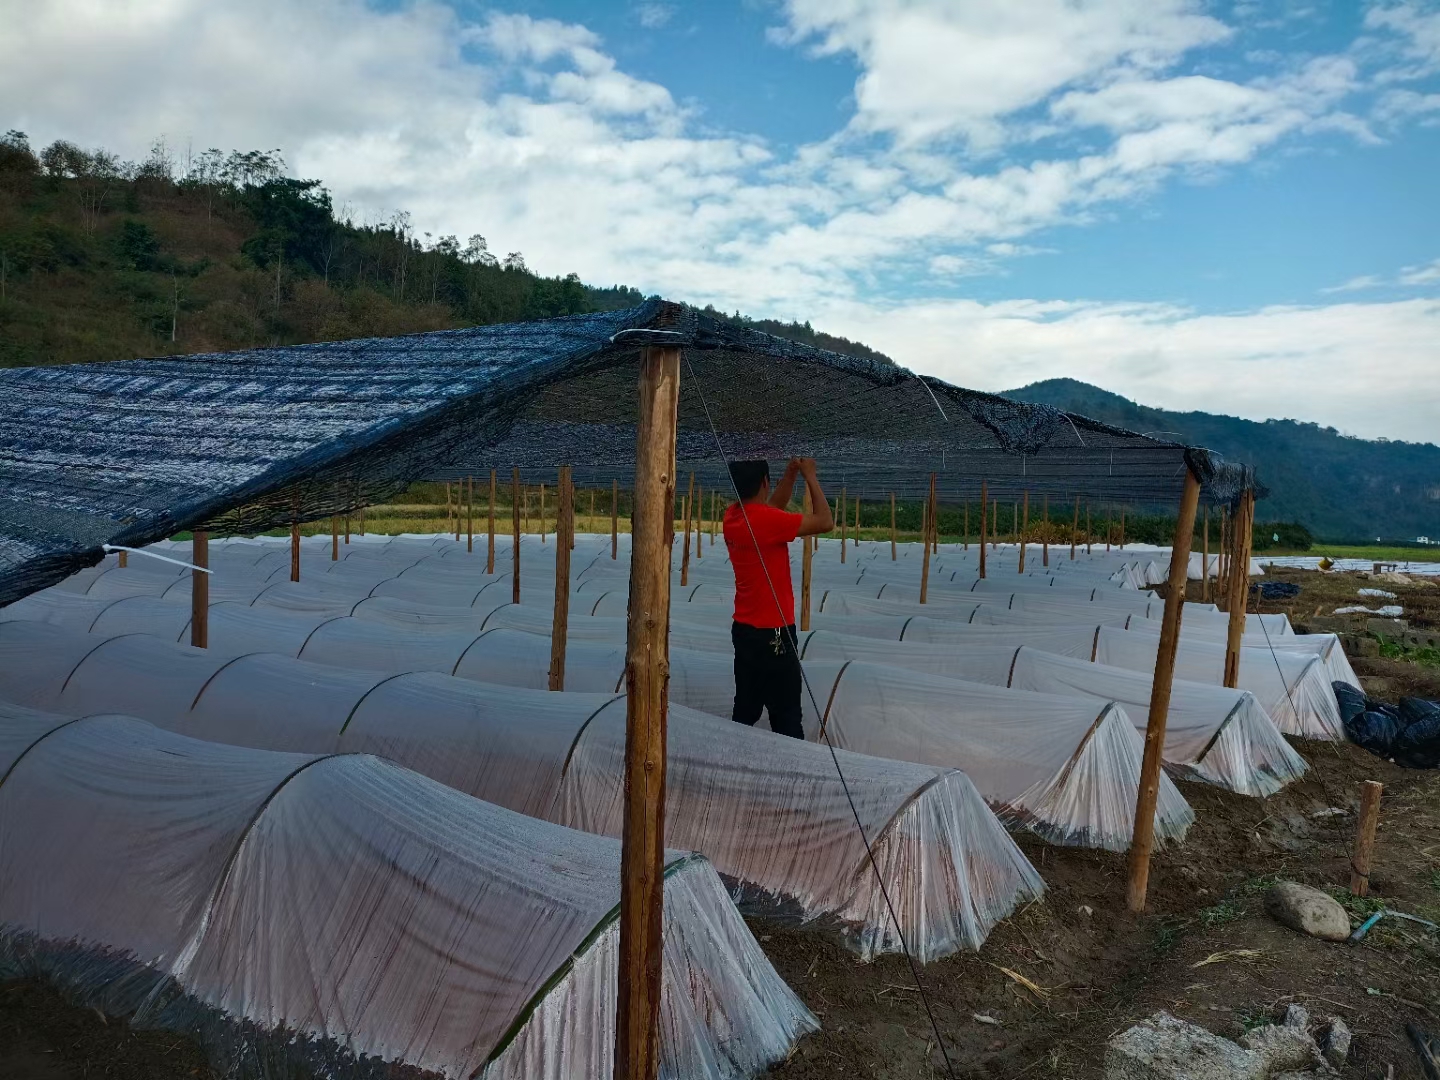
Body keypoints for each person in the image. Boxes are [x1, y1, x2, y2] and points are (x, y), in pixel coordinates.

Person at [722, 458, 833, 738]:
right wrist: (810, 476)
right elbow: (825, 521)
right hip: (775, 636)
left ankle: (736, 760)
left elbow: (772, 508)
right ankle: (789, 772)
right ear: (764, 483)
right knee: (786, 719)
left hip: (744, 631)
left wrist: (791, 473)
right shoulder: (766, 521)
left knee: (745, 709)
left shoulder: (732, 517)